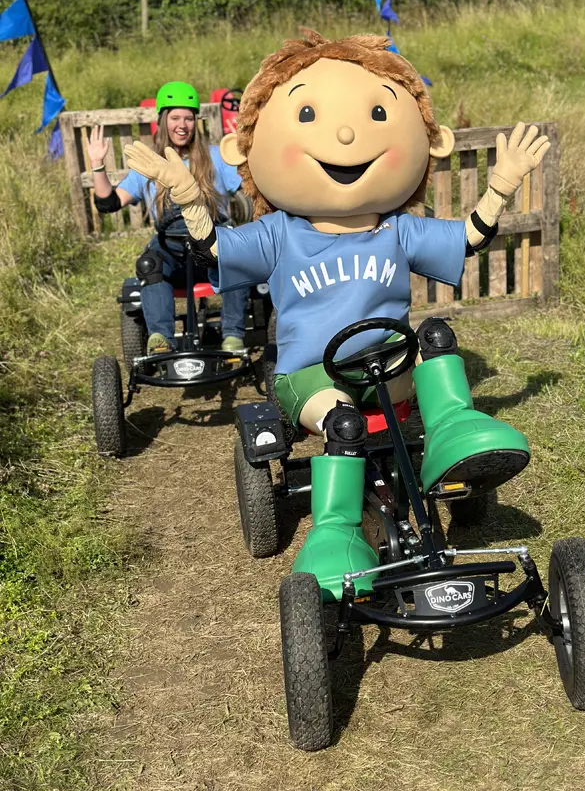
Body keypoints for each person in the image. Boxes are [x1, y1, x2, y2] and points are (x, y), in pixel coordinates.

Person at [123, 31, 550, 601]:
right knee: (344, 427)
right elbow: (216, 252)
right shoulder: (279, 233)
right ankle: (337, 530)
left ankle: (453, 435)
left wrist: (500, 185)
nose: (347, 135)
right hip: (313, 377)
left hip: (388, 363)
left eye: (378, 113)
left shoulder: (396, 228)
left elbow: (468, 239)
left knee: (437, 335)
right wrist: (187, 197)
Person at [87, 80, 249, 354]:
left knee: (236, 258)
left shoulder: (214, 157)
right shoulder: (150, 164)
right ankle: (161, 338)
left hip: (211, 244)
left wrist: (249, 153)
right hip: (171, 250)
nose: (182, 125)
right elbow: (109, 203)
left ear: (195, 122)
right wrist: (97, 165)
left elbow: (249, 187)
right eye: (175, 118)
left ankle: (233, 336)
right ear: (163, 121)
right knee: (149, 264)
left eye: (188, 118)